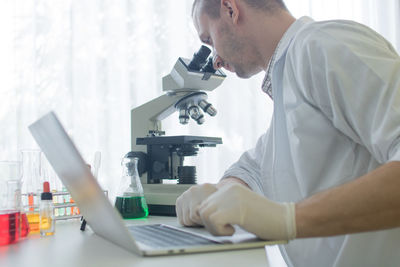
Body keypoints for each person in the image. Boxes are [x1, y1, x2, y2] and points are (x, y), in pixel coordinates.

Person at [175, 0, 400, 266]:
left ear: (231, 9)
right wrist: (216, 195)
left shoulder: (323, 45)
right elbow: (254, 170)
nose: (215, 60)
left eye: (209, 39)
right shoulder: (287, 76)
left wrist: (286, 220)